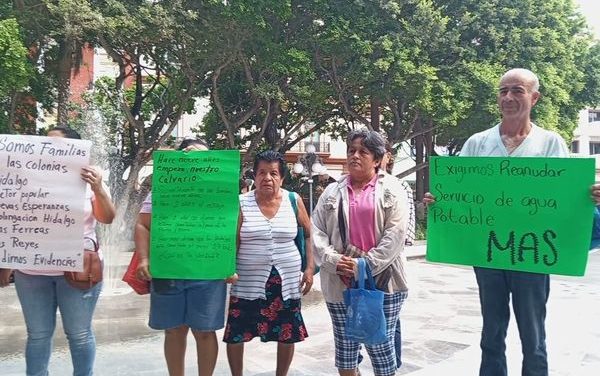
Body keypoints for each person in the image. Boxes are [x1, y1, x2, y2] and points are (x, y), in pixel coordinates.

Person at [424, 68, 600, 376]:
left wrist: (590, 196)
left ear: (534, 98)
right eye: (503, 90)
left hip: (532, 256)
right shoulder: (477, 143)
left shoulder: (550, 143)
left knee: (533, 337)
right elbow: (458, 192)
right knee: (491, 333)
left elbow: (566, 197)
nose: (508, 97)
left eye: (517, 90)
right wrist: (438, 200)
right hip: (488, 255)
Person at [0, 125, 115, 376]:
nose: (48, 149)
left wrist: (97, 188)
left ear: (75, 150)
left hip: (79, 270)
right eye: (45, 143)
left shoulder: (90, 179)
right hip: (30, 272)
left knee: (80, 334)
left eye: (57, 145)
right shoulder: (20, 177)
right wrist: (5, 266)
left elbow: (107, 218)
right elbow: (11, 225)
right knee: (37, 335)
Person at [312, 129, 409, 376]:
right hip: (339, 281)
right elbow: (317, 231)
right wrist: (334, 260)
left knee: (380, 348)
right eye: (351, 151)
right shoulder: (331, 192)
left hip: (383, 282)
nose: (355, 156)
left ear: (377, 159)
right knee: (345, 352)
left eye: (363, 152)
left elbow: (395, 235)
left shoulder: (393, 189)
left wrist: (364, 265)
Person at [135, 138, 230, 376]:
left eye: (204, 159)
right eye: (191, 157)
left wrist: (230, 264)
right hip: (169, 269)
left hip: (208, 272)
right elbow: (142, 225)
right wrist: (145, 259)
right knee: (173, 330)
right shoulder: (163, 187)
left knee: (205, 331)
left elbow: (233, 227)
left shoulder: (221, 189)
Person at [224, 150, 314, 376]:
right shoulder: (240, 203)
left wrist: (310, 268)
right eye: (261, 172)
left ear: (282, 177)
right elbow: (232, 240)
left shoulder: (293, 200)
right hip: (247, 282)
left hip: (286, 280)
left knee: (287, 332)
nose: (267, 178)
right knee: (237, 332)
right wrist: (228, 269)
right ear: (254, 176)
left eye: (273, 173)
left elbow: (309, 234)